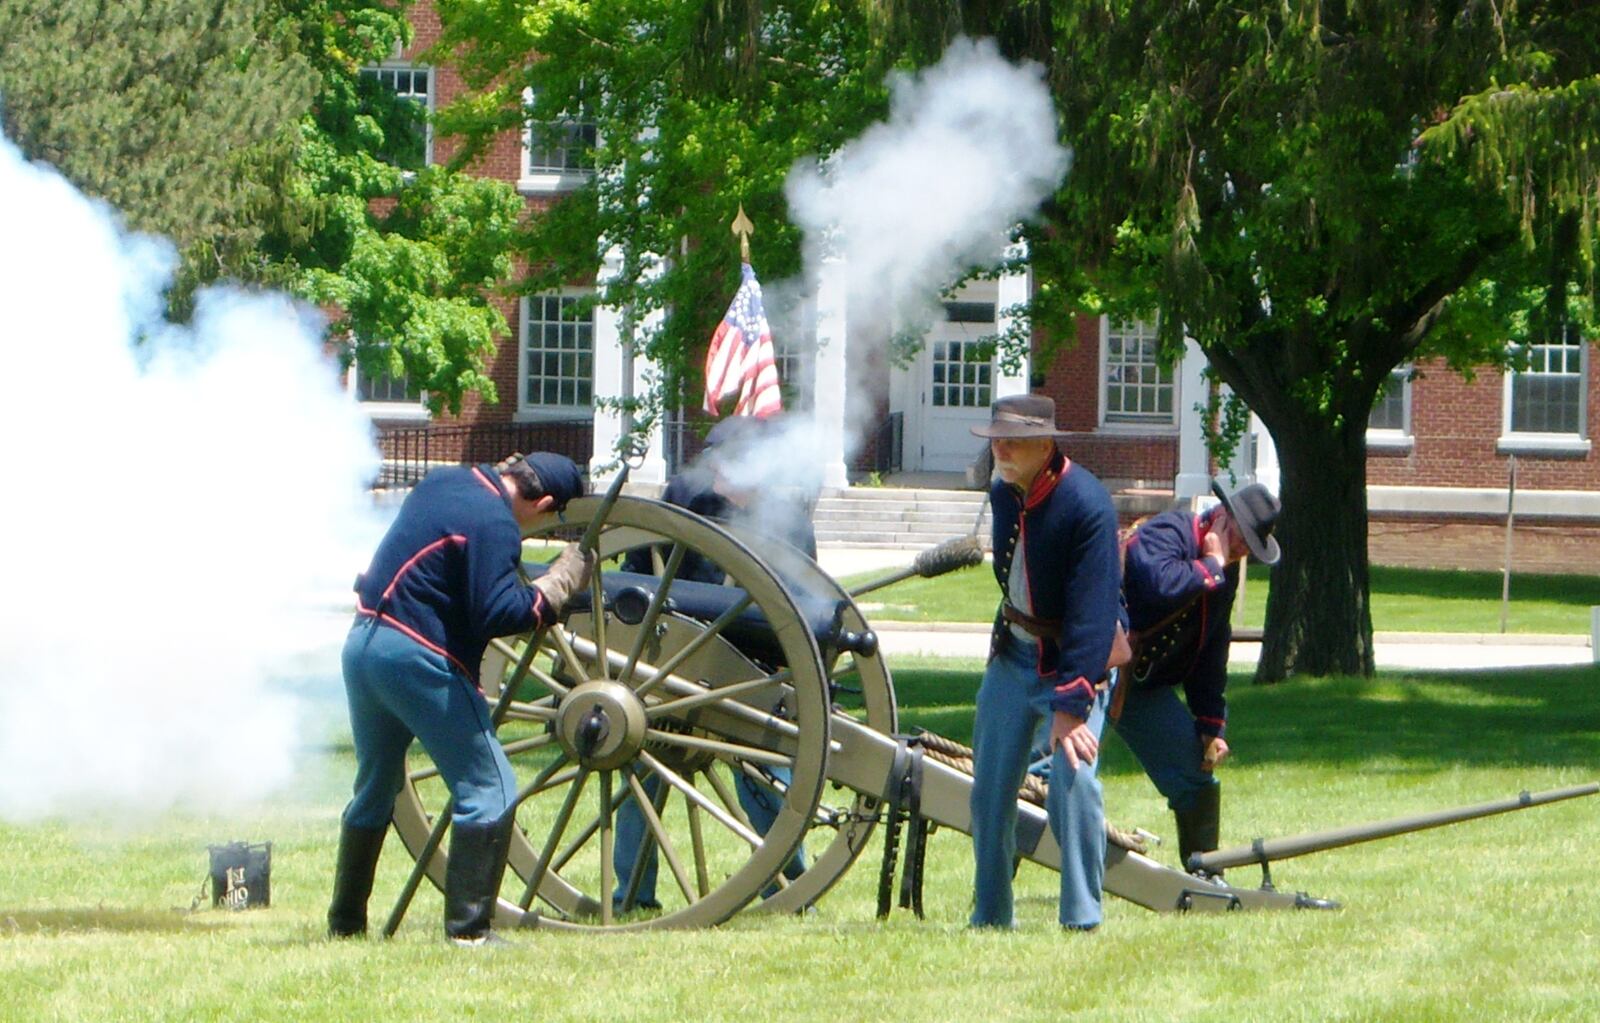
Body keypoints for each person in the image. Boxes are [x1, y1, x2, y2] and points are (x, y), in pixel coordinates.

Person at [328, 452, 592, 946]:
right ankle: (470, 933)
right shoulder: (495, 521)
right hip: (416, 657)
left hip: (364, 644)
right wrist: (555, 588)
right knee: (490, 787)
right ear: (547, 502)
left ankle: (345, 925)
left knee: (375, 790)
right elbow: (496, 612)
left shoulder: (445, 480)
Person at [612, 415, 814, 910]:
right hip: (668, 664)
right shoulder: (684, 497)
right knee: (640, 774)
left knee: (765, 782)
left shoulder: (787, 521)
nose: (719, 468)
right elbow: (637, 568)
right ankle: (633, 895)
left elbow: (803, 607)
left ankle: (789, 888)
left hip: (753, 669)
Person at [968, 394, 1123, 931]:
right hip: (1013, 656)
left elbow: (1094, 617)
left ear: (1046, 444)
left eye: (1012, 439)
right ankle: (989, 916)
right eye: (996, 438)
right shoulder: (1004, 493)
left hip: (1075, 661)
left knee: (1072, 778)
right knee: (988, 791)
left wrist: (1072, 705)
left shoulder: (1088, 505)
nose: (1000, 448)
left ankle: (1081, 916)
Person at [1115, 479, 1280, 874]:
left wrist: (1210, 722)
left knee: (1196, 779)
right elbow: (1158, 584)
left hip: (1142, 687)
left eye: (1250, 548)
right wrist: (1211, 565)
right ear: (1223, 517)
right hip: (1093, 671)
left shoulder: (1223, 571)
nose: (1242, 551)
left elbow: (1210, 647)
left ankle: (1204, 881)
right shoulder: (1169, 533)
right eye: (1241, 540)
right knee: (1042, 781)